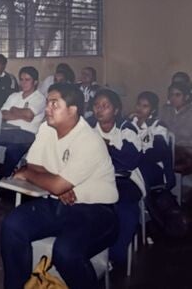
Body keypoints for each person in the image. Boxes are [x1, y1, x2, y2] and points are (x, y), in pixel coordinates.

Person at [0, 83, 118, 289]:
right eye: (47, 103)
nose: (47, 108)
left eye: (55, 104)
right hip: (58, 204)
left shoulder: (89, 140)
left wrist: (31, 175)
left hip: (97, 212)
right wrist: (57, 182)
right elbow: (35, 164)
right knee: (12, 226)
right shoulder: (46, 128)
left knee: (65, 252)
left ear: (72, 110)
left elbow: (40, 176)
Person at [89, 89, 144, 267]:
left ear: (116, 110)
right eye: (96, 105)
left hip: (125, 179)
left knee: (125, 207)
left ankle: (115, 254)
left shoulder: (126, 129)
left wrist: (105, 147)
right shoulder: (88, 127)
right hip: (96, 178)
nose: (99, 109)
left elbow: (129, 161)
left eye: (105, 106)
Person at [0, 66, 46, 178]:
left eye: (27, 80)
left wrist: (13, 110)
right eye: (21, 79)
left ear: (35, 82)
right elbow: (2, 114)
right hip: (9, 130)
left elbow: (29, 115)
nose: (23, 83)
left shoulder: (39, 98)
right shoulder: (14, 96)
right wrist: (22, 114)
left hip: (27, 134)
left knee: (12, 150)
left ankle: (3, 178)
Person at [129, 91, 175, 190]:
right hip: (133, 164)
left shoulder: (158, 126)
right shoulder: (130, 123)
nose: (140, 108)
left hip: (153, 166)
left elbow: (158, 153)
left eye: (145, 106)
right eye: (138, 104)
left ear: (153, 110)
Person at [160, 82, 192, 175]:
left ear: (186, 97)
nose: (173, 98)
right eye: (171, 95)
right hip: (167, 148)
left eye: (178, 95)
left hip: (186, 152)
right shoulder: (165, 110)